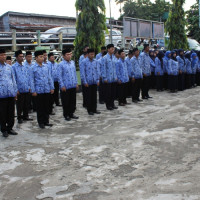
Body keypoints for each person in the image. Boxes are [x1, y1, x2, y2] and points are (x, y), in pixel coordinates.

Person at [30, 51, 54, 129]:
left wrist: (51, 87)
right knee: (40, 107)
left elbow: (49, 77)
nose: (42, 58)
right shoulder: (33, 68)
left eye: (43, 56)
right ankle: (41, 122)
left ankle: (46, 121)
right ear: (36, 58)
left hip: (46, 89)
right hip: (38, 90)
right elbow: (31, 80)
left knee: (46, 106)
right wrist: (33, 91)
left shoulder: (46, 66)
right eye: (40, 56)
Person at [0, 49, 18, 137]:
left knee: (11, 112)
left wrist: (15, 91)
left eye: (4, 55)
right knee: (2, 113)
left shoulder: (9, 67)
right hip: (1, 95)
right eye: (1, 55)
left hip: (10, 93)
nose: (3, 56)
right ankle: (3, 129)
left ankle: (10, 128)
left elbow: (13, 79)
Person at [58, 49, 79, 121]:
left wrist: (76, 83)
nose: (69, 56)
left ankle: (71, 113)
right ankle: (66, 114)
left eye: (70, 54)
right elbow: (59, 76)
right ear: (63, 56)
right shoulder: (61, 64)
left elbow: (74, 73)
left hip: (72, 85)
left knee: (73, 101)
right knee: (66, 101)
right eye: (67, 54)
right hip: (65, 86)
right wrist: (62, 85)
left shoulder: (72, 63)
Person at [12, 50, 33, 124]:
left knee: (26, 103)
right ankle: (19, 117)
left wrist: (29, 86)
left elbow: (28, 77)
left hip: (26, 88)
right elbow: (14, 79)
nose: (22, 58)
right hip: (19, 89)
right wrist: (16, 89)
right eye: (20, 57)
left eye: (22, 56)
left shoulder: (24, 66)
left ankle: (25, 116)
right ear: (16, 57)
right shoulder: (13, 67)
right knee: (19, 105)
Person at [80, 49, 101, 115]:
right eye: (91, 54)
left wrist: (98, 80)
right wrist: (85, 82)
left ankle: (94, 109)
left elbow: (98, 71)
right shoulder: (83, 62)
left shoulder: (96, 61)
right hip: (88, 82)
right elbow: (82, 73)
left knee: (94, 96)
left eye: (93, 54)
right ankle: (90, 110)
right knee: (88, 97)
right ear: (88, 54)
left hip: (94, 81)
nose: (92, 55)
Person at [101, 44, 118, 110]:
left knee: (113, 92)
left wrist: (116, 76)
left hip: (114, 78)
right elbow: (103, 69)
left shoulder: (114, 58)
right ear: (108, 49)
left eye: (113, 49)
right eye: (111, 49)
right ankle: (108, 105)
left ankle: (112, 104)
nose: (113, 50)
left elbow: (115, 68)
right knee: (108, 93)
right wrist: (104, 77)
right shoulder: (104, 58)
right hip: (108, 78)